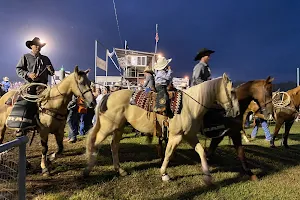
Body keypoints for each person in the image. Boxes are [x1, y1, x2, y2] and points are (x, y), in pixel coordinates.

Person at [12, 37, 55, 136]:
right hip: (30, 85)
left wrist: (50, 70)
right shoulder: (25, 57)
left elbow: (52, 72)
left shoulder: (45, 58)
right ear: (31, 46)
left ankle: (51, 124)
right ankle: (20, 125)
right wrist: (28, 74)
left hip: (43, 86)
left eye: (39, 46)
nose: (38, 47)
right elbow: (19, 69)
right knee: (24, 102)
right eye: (36, 45)